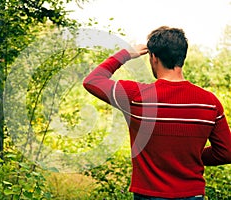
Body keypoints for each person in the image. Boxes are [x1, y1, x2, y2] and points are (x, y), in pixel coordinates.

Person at [83, 26, 231, 199]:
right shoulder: (210, 103)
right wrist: (192, 156)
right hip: (192, 195)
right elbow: (226, 152)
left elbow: (93, 81)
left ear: (153, 57)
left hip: (149, 195)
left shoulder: (136, 97)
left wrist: (126, 54)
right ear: (182, 57)